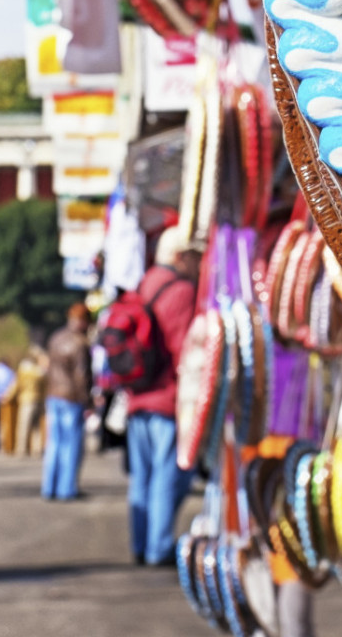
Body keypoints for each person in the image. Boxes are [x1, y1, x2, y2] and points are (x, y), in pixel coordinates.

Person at [123, 229, 201, 566]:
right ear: (180, 256)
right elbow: (185, 349)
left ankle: (141, 544)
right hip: (168, 399)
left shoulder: (146, 283)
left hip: (137, 395)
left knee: (141, 478)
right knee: (167, 477)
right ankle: (158, 546)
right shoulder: (182, 291)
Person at [43, 304, 92, 501]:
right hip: (72, 397)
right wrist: (87, 400)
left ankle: (49, 486)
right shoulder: (80, 343)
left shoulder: (56, 338)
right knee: (71, 445)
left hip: (54, 394)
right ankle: (66, 488)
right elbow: (82, 376)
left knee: (54, 443)